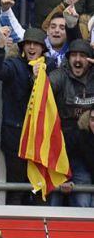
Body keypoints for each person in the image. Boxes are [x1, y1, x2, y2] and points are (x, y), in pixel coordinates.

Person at [0, 27, 46, 205]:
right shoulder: (14, 65)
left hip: (39, 140)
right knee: (16, 189)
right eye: (28, 43)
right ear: (22, 47)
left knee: (39, 190)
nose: (31, 47)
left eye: (36, 44)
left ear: (43, 48)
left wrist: (41, 77)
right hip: (16, 139)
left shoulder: (48, 67)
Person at [47, 39, 94, 208]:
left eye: (83, 56)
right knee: (54, 203)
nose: (78, 60)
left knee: (84, 203)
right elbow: (42, 89)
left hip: (86, 153)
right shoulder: (61, 75)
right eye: (74, 55)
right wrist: (37, 77)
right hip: (60, 151)